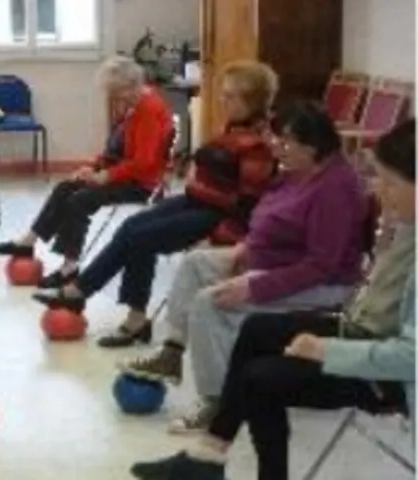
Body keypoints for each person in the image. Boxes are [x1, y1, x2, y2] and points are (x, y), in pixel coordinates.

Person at [130, 118, 415, 480]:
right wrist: (388, 242)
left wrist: (327, 350)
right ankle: (208, 456)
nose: (377, 191)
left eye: (390, 182)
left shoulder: (339, 190)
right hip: (366, 331)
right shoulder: (407, 224)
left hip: (390, 375)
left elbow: (410, 357)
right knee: (257, 329)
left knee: (260, 379)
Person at [120, 101, 368, 433]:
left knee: (211, 302)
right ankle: (171, 352)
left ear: (313, 146)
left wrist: (254, 287)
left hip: (323, 284)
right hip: (273, 261)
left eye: (286, 141)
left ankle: (219, 402)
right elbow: (270, 219)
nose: (276, 147)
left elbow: (320, 265)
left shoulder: (335, 188)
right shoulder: (296, 171)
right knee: (196, 263)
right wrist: (246, 248)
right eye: (277, 137)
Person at [32, 60, 278, 348]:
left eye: (230, 96)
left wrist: (221, 237)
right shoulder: (235, 128)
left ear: (252, 101)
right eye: (223, 94)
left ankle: (89, 297)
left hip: (215, 214)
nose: (222, 101)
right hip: (195, 200)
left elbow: (250, 204)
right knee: (131, 227)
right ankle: (106, 304)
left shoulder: (258, 144)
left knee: (141, 237)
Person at [0, 55, 175, 288]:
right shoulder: (134, 105)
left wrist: (106, 176)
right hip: (125, 174)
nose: (115, 98)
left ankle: (69, 269)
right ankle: (27, 242)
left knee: (80, 200)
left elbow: (144, 161)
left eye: (116, 92)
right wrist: (94, 168)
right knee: (65, 187)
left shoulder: (148, 109)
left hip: (142, 184)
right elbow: (118, 149)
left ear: (132, 85)